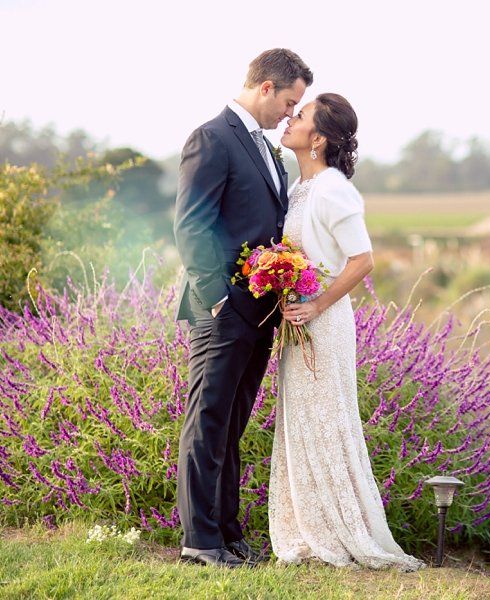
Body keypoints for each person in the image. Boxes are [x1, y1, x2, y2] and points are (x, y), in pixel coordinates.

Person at [269, 93, 425, 572]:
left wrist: (315, 303)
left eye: (300, 115)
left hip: (324, 322)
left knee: (326, 420)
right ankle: (305, 530)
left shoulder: (333, 187)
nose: (290, 119)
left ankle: (339, 532)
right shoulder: (300, 187)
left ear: (317, 138)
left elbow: (363, 260)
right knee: (301, 421)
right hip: (299, 319)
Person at [173, 48, 312, 568]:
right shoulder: (212, 138)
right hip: (222, 311)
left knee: (231, 427)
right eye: (290, 102)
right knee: (207, 422)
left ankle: (227, 534)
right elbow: (192, 225)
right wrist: (215, 301)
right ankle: (199, 541)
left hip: (259, 314)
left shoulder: (266, 151)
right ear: (267, 88)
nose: (290, 115)